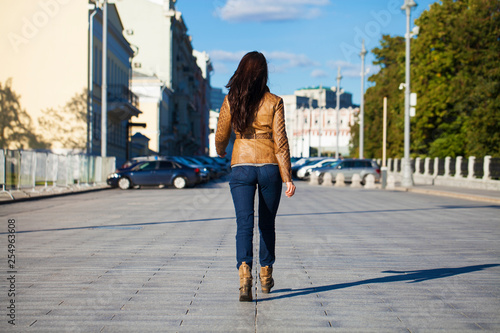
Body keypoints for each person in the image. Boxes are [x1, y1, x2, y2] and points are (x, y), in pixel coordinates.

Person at [215, 51, 296, 302]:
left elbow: (221, 134)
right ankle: (266, 273)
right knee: (267, 224)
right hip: (269, 165)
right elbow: (280, 142)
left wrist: (220, 152)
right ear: (263, 73)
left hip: (241, 164)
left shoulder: (231, 99)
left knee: (244, 224)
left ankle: (244, 277)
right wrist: (287, 178)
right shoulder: (275, 101)